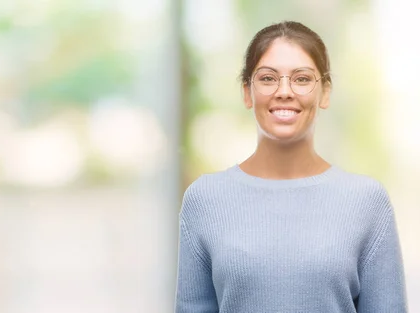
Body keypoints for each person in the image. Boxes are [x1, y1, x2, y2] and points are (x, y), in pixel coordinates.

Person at [174, 21, 408, 313]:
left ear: (325, 92)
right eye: (268, 78)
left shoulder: (367, 201)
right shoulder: (204, 200)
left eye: (301, 78)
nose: (284, 91)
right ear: (247, 92)